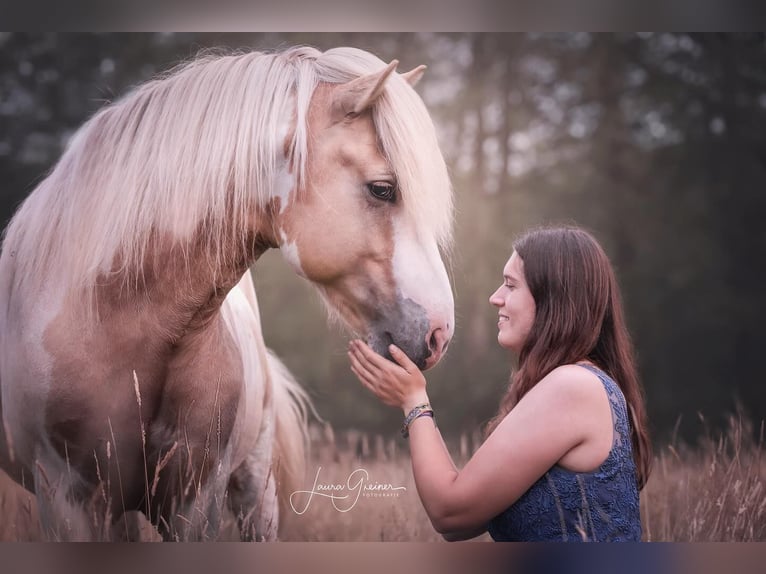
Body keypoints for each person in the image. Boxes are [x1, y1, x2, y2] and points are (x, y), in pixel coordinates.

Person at [348, 225, 651, 542]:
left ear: (553, 298)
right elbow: (463, 523)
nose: (496, 298)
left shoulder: (572, 386)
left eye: (510, 285)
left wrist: (414, 401)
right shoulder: (583, 384)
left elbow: (449, 512)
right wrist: (414, 400)